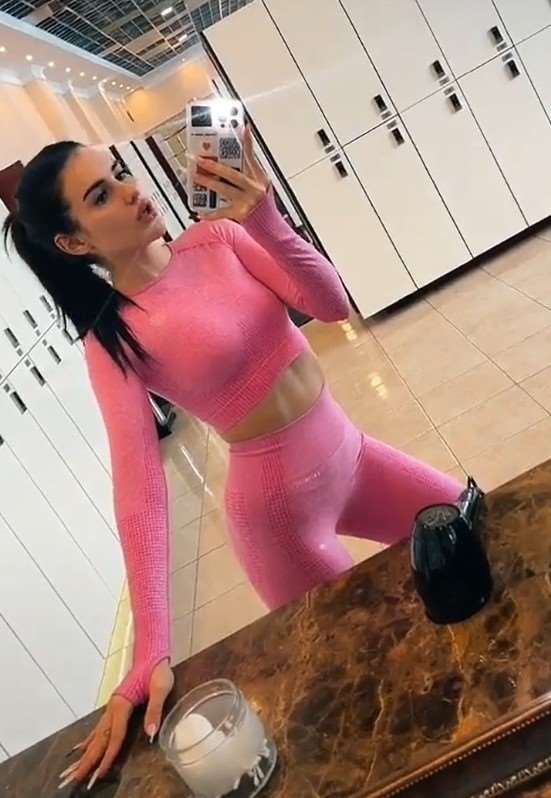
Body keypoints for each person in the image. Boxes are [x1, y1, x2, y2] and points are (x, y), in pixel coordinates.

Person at [4, 131, 461, 790]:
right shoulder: (113, 340)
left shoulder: (217, 239)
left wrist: (264, 219)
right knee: (377, 661)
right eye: (101, 195)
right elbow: (139, 487)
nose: (131, 192)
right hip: (280, 518)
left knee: (471, 531)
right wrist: (150, 647)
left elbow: (330, 305)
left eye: (121, 173)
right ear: (74, 243)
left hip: (353, 455)